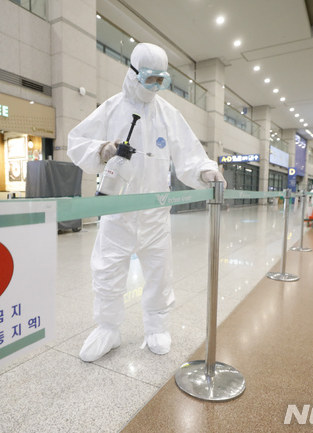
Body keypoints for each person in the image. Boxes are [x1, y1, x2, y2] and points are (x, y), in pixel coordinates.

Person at [67, 43, 225, 362]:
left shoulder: (169, 114)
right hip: (117, 214)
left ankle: (156, 326)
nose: (155, 86)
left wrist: (207, 169)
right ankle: (108, 328)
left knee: (159, 273)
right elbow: (76, 141)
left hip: (155, 215)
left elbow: (189, 152)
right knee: (107, 271)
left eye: (161, 80)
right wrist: (102, 150)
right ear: (134, 73)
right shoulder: (111, 108)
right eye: (150, 79)